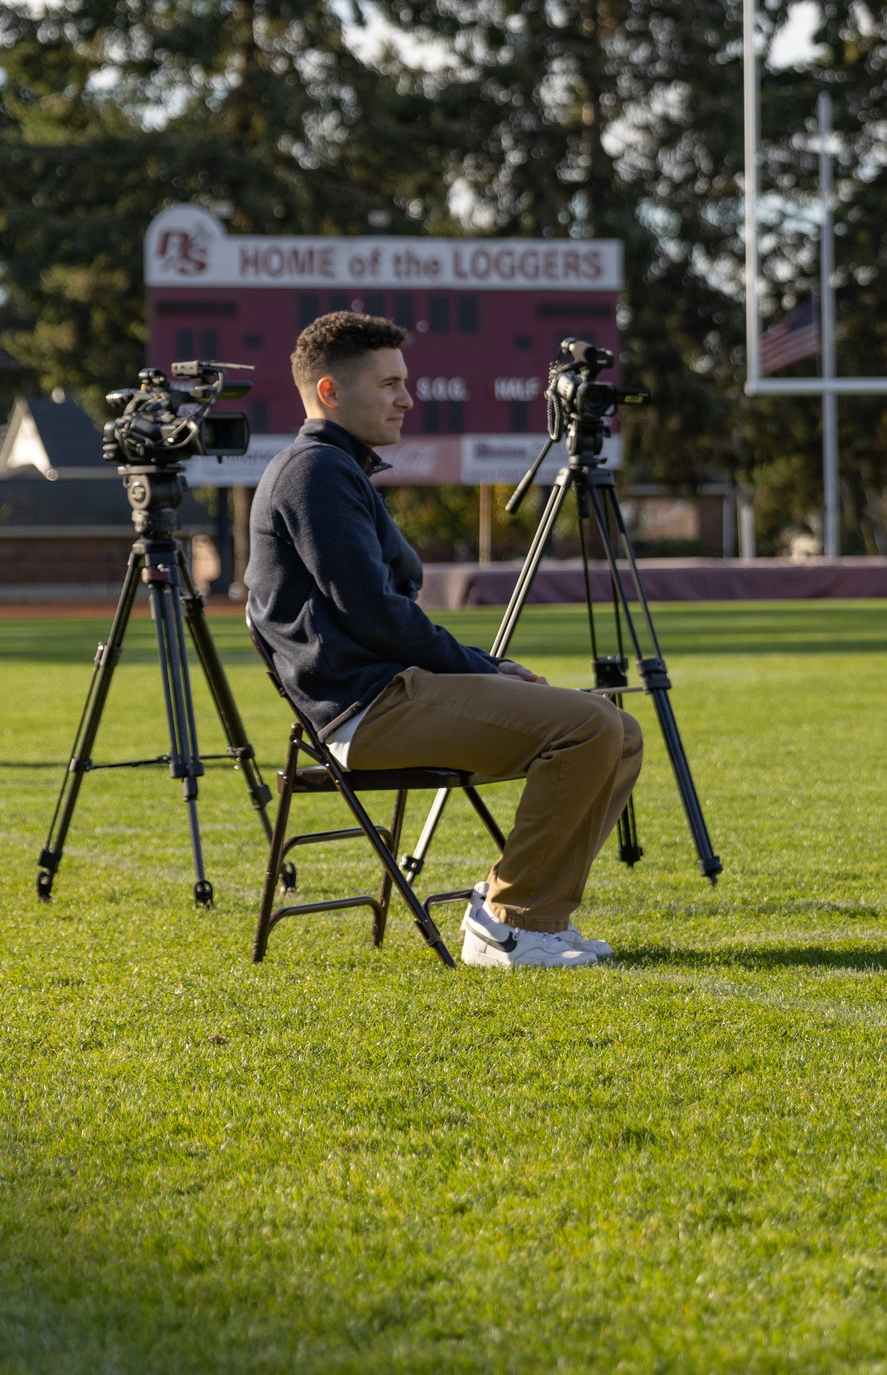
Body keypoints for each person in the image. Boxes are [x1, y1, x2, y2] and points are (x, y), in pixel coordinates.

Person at [246, 311, 642, 969]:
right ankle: (508, 923)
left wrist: (480, 671)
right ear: (329, 393)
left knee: (617, 732)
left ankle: (536, 916)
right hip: (368, 710)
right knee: (588, 729)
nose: (407, 397)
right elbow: (373, 614)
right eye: (390, 383)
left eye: (405, 381)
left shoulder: (337, 469)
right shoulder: (313, 472)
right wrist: (485, 667)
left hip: (395, 691)